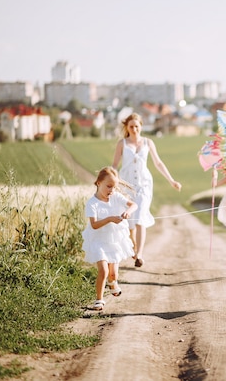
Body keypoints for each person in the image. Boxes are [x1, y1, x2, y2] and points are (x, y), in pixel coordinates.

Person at [112, 113, 182, 268]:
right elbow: (114, 165)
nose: (134, 129)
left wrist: (171, 180)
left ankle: (140, 255)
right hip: (127, 185)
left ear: (141, 126)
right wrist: (110, 182)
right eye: (131, 126)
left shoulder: (148, 142)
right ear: (127, 128)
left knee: (140, 217)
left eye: (137, 126)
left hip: (144, 184)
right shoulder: (122, 144)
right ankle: (134, 248)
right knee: (130, 221)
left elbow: (158, 163)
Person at [82, 166, 138, 311]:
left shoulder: (116, 197)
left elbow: (134, 205)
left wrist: (128, 212)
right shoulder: (92, 203)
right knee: (104, 271)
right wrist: (110, 219)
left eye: (114, 187)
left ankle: (113, 283)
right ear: (98, 183)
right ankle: (99, 300)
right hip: (99, 240)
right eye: (108, 186)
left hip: (114, 240)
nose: (111, 190)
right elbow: (94, 225)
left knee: (113, 274)